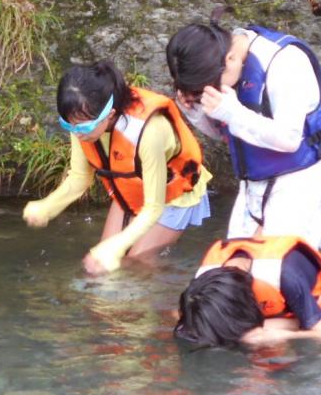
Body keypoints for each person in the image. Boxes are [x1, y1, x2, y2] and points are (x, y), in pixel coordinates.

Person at [23, 61, 213, 275]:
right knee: (98, 268)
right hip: (132, 188)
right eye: (68, 125)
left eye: (83, 126)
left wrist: (117, 246)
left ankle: (171, 297)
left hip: (173, 196)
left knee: (133, 266)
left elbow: (153, 207)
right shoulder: (80, 122)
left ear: (110, 114)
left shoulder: (148, 132)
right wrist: (48, 207)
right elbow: (79, 178)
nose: (76, 133)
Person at [165, 10, 321, 247]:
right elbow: (228, 134)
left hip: (297, 184)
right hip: (251, 185)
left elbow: (289, 139)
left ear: (230, 60)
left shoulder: (285, 62)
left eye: (208, 87)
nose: (208, 92)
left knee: (275, 273)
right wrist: (197, 114)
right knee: (236, 273)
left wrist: (231, 112)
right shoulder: (226, 61)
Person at [174, 236, 321, 347]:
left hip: (320, 315)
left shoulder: (286, 274)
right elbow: (182, 314)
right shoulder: (207, 278)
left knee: (251, 344)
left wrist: (281, 336)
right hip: (262, 311)